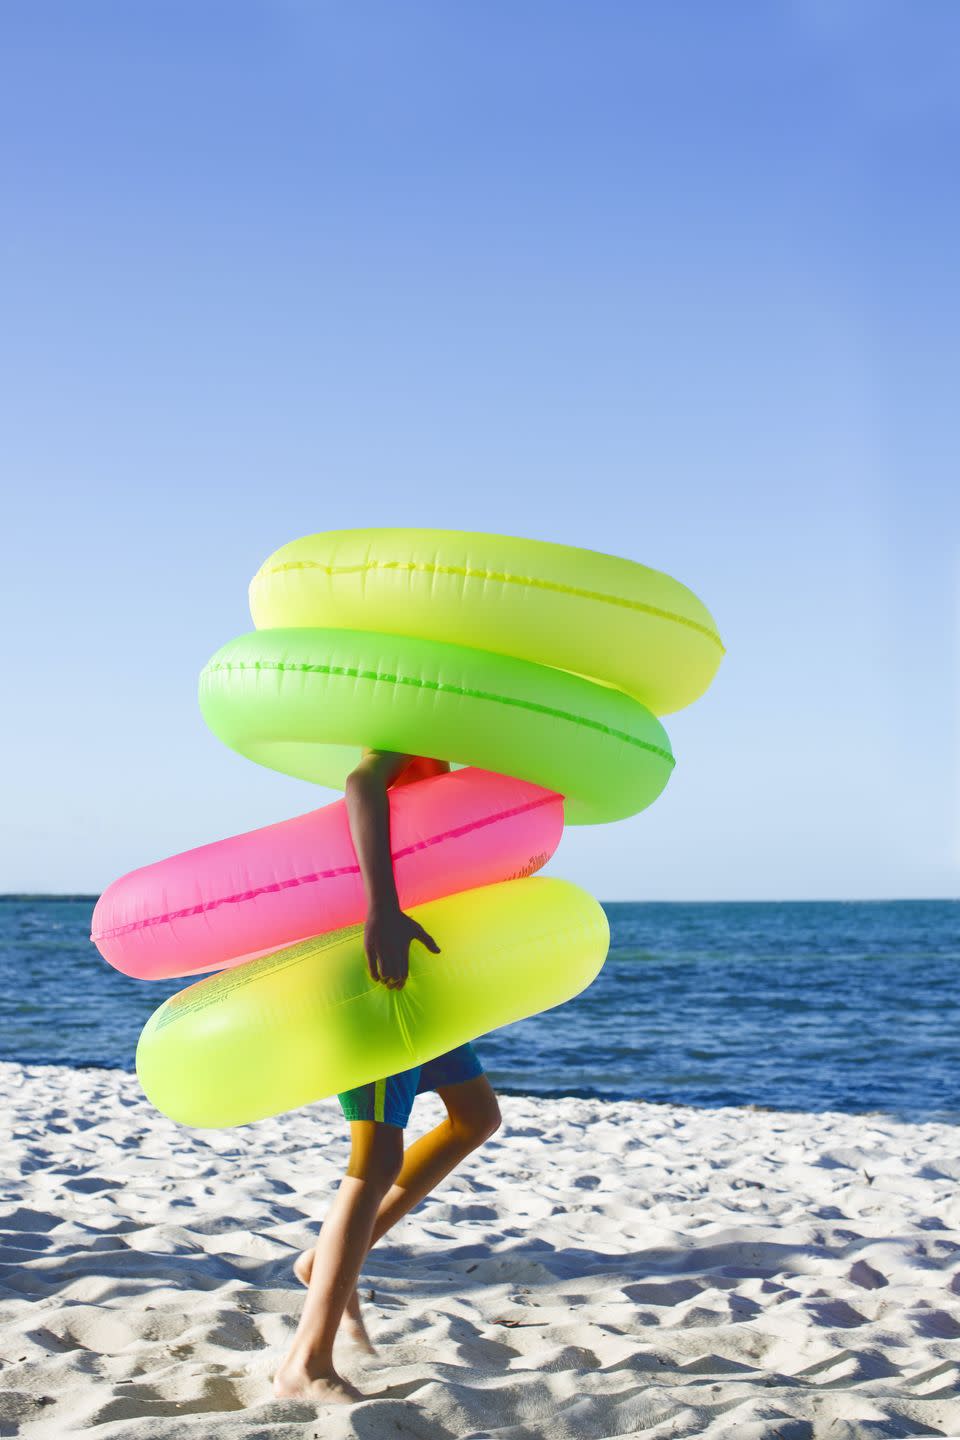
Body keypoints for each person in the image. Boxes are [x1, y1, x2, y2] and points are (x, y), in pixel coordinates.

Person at [272, 750, 503, 1404]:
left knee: (475, 1117)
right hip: (375, 964)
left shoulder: (449, 730)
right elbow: (363, 781)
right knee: (374, 1157)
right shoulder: (404, 714)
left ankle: (323, 1265)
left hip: (420, 971)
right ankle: (305, 1363)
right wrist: (383, 910)